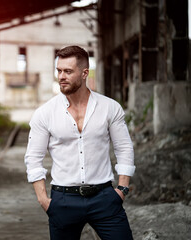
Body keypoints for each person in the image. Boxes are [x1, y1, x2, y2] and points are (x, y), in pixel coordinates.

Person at [24, 45, 135, 240]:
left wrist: (122, 189)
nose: (61, 76)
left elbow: (124, 148)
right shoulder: (45, 113)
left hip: (104, 198)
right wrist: (44, 200)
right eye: (59, 70)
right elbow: (33, 158)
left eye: (68, 71)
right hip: (63, 200)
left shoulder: (110, 107)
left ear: (85, 73)